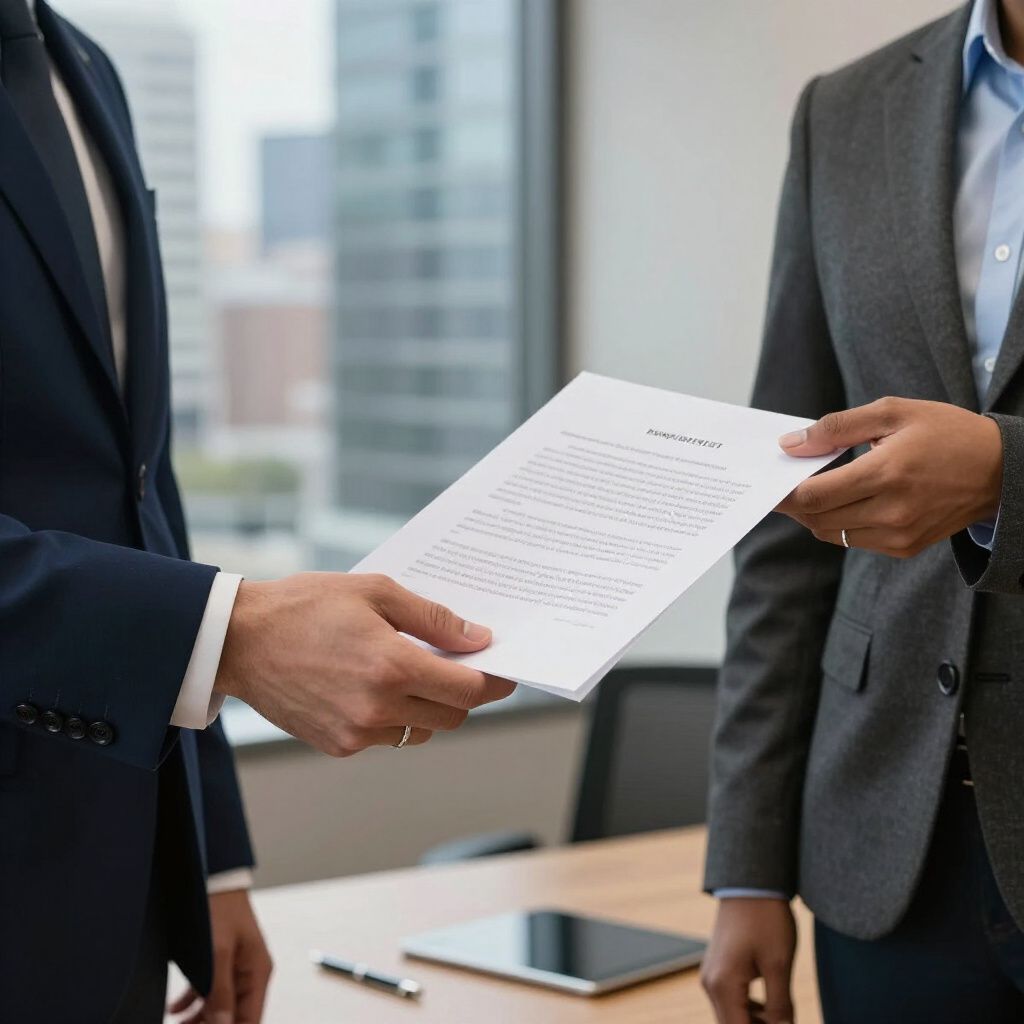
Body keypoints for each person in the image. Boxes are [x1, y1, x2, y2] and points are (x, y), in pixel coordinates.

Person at [0, 2, 514, 1022]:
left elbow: (134, 481)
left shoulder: (83, 63)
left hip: (116, 863)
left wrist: (214, 856)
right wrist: (230, 632)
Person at [701, 1, 1024, 1021]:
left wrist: (1006, 474)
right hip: (883, 844)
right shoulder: (842, 111)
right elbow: (782, 515)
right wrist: (746, 865)